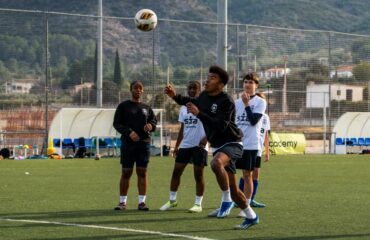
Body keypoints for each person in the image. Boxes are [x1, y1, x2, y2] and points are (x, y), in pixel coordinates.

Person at [165, 65, 259, 230]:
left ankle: (226, 199)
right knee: (235, 189)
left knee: (216, 164)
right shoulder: (203, 97)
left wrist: (199, 114)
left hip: (233, 143)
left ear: (221, 85)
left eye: (212, 78)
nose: (207, 80)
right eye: (207, 77)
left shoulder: (226, 101)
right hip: (217, 146)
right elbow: (189, 101)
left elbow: (220, 126)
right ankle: (251, 216)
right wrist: (174, 96)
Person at [160, 81, 208, 213]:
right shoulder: (183, 107)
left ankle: (198, 204)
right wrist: (177, 146)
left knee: (198, 175)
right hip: (186, 145)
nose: (192, 90)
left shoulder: (204, 105)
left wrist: (206, 138)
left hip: (200, 145)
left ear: (199, 90)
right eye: (190, 88)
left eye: (195, 88)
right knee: (176, 172)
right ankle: (172, 200)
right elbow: (183, 127)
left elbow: (211, 124)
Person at [113, 81, 157, 211]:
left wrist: (151, 126)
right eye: (135, 88)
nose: (138, 90)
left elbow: (153, 121)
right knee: (126, 172)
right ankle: (122, 202)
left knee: (142, 172)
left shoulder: (147, 107)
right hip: (128, 144)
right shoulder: (123, 106)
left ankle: (142, 203)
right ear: (130, 90)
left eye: (140, 88)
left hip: (144, 144)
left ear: (143, 91)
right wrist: (129, 132)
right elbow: (117, 123)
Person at [234, 73, 266, 217]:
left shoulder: (260, 102)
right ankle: (227, 202)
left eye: (251, 82)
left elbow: (253, 121)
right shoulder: (236, 102)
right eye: (245, 82)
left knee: (247, 175)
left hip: (251, 144)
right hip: (236, 144)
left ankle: (246, 206)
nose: (247, 84)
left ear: (256, 85)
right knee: (230, 174)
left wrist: (247, 104)